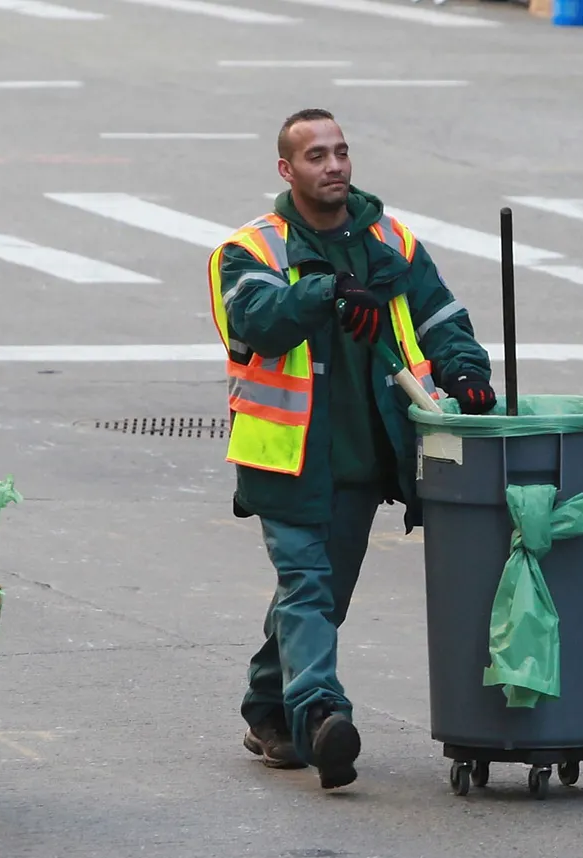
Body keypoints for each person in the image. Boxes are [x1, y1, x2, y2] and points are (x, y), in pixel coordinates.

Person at [207, 108, 496, 790]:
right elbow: (259, 321)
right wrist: (327, 291)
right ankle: (320, 718)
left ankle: (266, 709)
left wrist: (466, 372)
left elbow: (440, 316)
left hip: (366, 462)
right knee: (308, 586)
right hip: (287, 462)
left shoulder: (389, 238)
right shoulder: (252, 250)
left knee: (320, 596)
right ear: (287, 169)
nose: (333, 164)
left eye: (340, 151)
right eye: (315, 155)